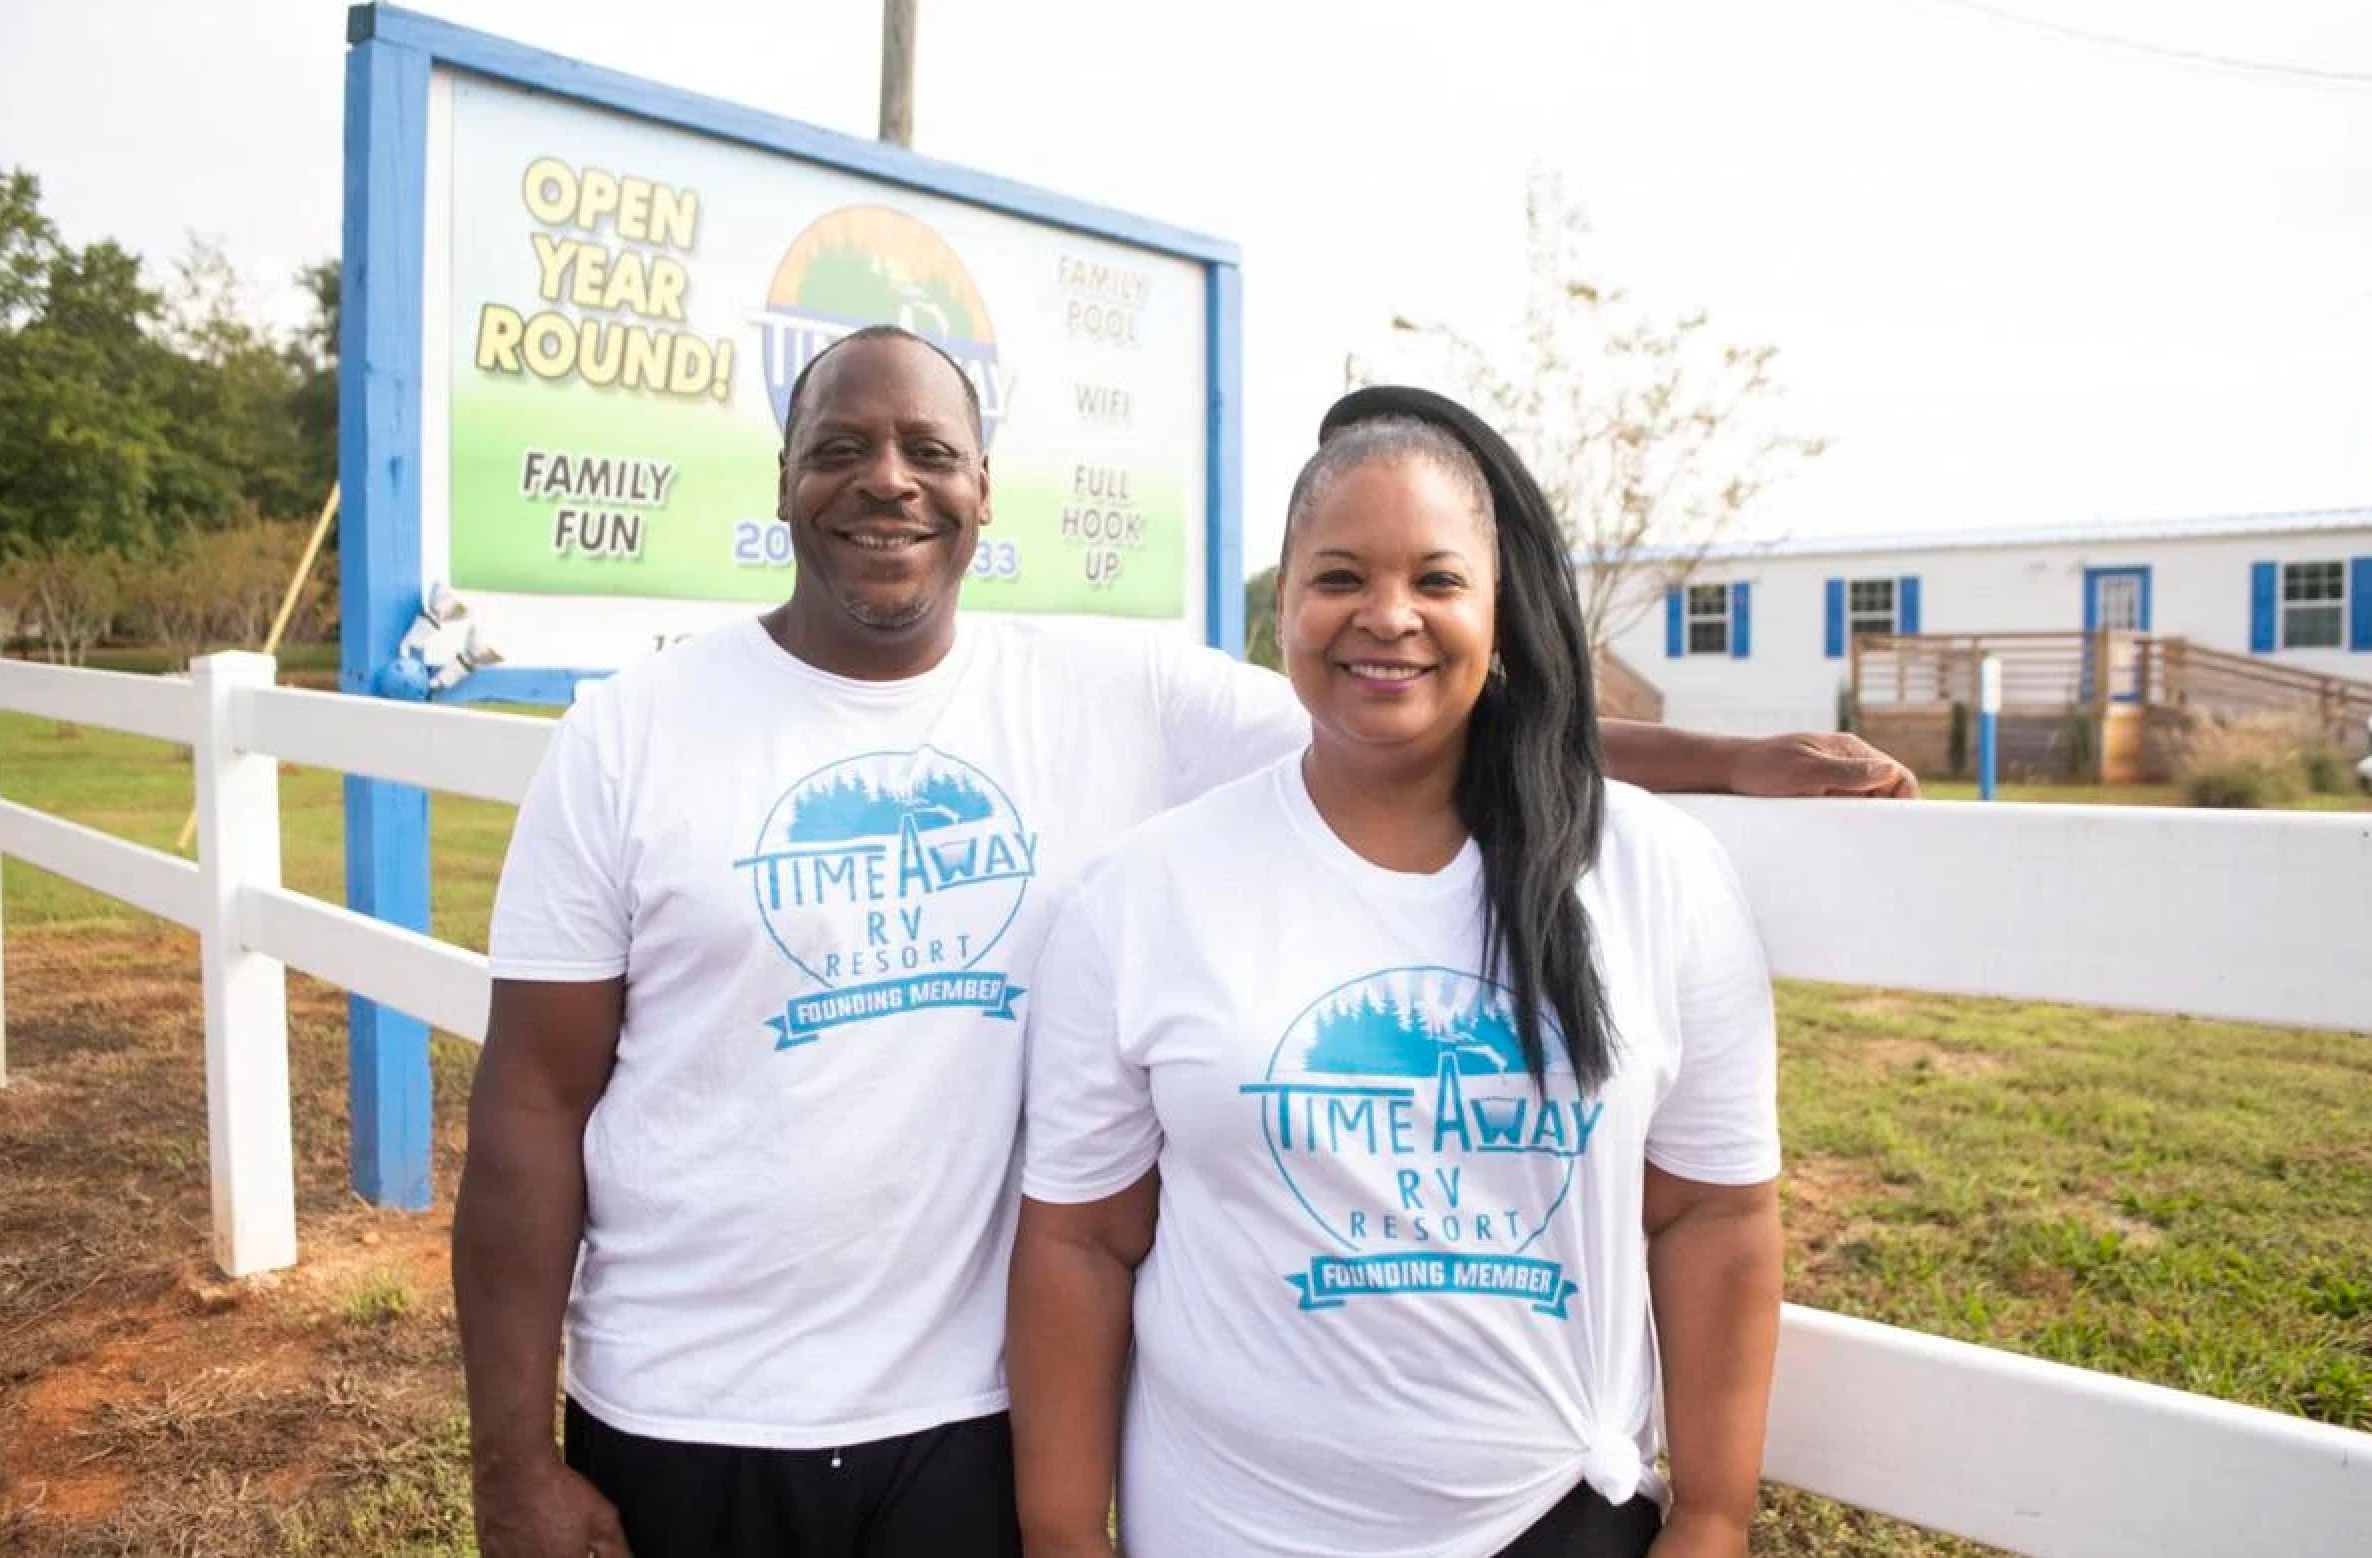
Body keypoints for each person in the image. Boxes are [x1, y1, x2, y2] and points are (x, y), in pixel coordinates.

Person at [454, 327, 1895, 1558]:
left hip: (966, 1415)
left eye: (928, 450)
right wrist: (514, 1460)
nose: (886, 478)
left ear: (979, 489)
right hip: (677, 1408)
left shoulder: (1108, 693)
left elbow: (1413, 693)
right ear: (783, 477)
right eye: (841, 445)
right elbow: (530, 1102)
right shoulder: (632, 733)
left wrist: (1741, 755)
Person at [1009, 386, 1783, 1558]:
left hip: (1552, 1518)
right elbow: (1080, 1240)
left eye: (1434, 580)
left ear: (1497, 612)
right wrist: (1063, 1538)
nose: (1387, 617)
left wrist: (1716, 1515)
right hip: (1227, 1526)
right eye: (1337, 579)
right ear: (1282, 613)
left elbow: (1712, 1212)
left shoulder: (1649, 873)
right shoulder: (1142, 892)